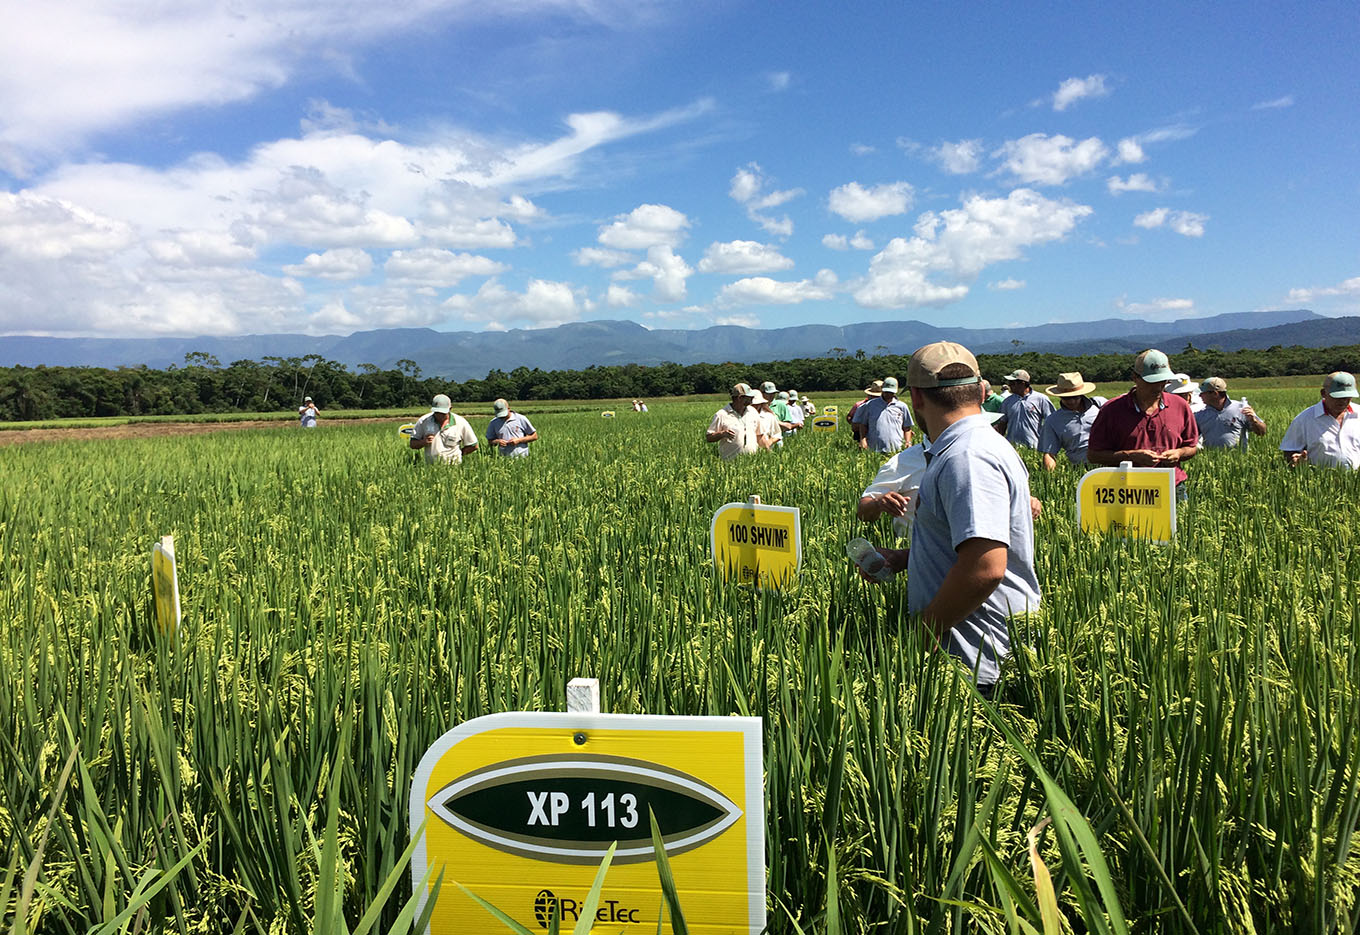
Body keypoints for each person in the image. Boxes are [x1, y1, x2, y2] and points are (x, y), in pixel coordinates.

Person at [860, 341, 1041, 693]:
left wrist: (926, 629)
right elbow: (968, 547)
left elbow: (985, 566)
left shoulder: (967, 457)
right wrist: (903, 559)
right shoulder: (976, 446)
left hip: (978, 661)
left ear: (916, 398)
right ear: (978, 390)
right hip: (977, 652)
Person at [1087, 349, 1199, 496]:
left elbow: (1191, 447)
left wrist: (1178, 453)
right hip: (1127, 490)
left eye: (1163, 381)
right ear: (1135, 377)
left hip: (1172, 485)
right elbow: (1094, 455)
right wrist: (1131, 456)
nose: (1159, 387)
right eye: (1152, 381)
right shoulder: (1112, 410)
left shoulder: (1180, 405)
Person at [1280, 372, 1360, 469]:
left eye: (1347, 397)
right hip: (1320, 479)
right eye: (1337, 397)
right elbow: (1289, 450)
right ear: (1323, 393)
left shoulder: (1358, 414)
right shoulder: (1305, 419)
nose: (1343, 401)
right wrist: (1296, 460)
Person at [1038, 372, 1102, 470]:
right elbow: (1049, 453)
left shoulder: (1100, 406)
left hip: (1108, 464)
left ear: (1082, 394)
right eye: (1066, 398)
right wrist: (1050, 477)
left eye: (1075, 397)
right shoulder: (1053, 421)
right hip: (1081, 468)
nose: (1071, 401)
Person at [1196, 377, 1266, 449]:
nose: (1200, 395)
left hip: (1238, 458)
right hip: (1211, 459)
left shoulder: (1241, 408)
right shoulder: (1200, 415)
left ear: (1215, 394)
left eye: (1203, 393)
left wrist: (1253, 420)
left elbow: (1261, 432)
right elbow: (1191, 437)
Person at [409, 394, 479, 464]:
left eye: (443, 413)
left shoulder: (460, 422)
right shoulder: (424, 421)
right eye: (437, 412)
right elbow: (413, 444)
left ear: (450, 409)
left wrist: (458, 455)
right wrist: (423, 442)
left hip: (454, 468)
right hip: (431, 468)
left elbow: (473, 445)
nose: (439, 415)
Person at [995, 368, 1055, 449]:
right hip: (1012, 448)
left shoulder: (1041, 399)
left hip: (1034, 447)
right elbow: (1002, 425)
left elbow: (1052, 422)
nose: (1009, 385)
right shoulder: (1007, 402)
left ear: (1022, 383)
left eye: (1012, 383)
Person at [853, 377, 914, 453]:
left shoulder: (902, 406)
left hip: (897, 449)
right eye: (886, 392)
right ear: (882, 390)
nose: (888, 394)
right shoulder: (870, 405)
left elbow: (907, 427)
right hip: (874, 449)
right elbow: (863, 425)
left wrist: (908, 442)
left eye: (891, 392)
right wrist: (863, 440)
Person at [706, 383, 762, 460]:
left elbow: (759, 435)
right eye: (749, 397)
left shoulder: (752, 412)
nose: (752, 399)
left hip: (752, 461)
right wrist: (722, 434)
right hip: (731, 464)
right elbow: (709, 437)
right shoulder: (722, 414)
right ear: (739, 398)